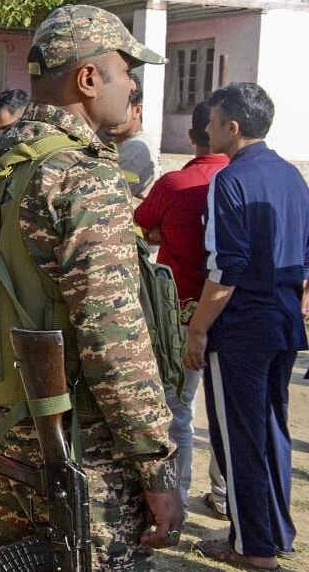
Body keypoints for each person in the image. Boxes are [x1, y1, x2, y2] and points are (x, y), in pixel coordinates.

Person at [0, 4, 181, 568]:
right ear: (87, 78)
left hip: (10, 429)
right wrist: (156, 465)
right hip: (84, 450)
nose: (131, 85)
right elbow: (115, 345)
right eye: (125, 71)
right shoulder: (82, 176)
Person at [185, 83, 309, 570]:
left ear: (232, 127)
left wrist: (198, 329)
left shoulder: (230, 180)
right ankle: (272, 531)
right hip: (281, 324)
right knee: (270, 429)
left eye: (213, 122)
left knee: (239, 438)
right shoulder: (292, 176)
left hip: (241, 329)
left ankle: (253, 547)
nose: (208, 129)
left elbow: (226, 268)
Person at [133, 101, 230, 518]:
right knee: (233, 416)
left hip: (183, 314)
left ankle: (179, 499)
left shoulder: (176, 184)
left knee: (178, 413)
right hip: (235, 313)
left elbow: (139, 223)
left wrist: (164, 231)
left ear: (193, 136)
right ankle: (225, 495)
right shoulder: (238, 179)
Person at [104, 73, 157, 199]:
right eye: (107, 108)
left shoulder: (135, 151)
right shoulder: (128, 144)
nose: (112, 116)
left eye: (119, 109)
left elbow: (108, 199)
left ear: (137, 110)